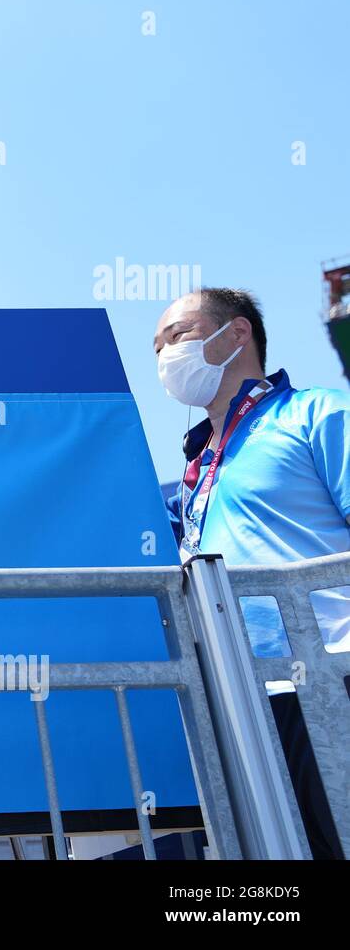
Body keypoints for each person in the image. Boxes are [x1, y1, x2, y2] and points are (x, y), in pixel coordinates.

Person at [153, 287, 347, 858]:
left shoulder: (318, 412)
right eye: (156, 348)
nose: (164, 356)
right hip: (247, 704)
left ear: (237, 333)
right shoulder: (194, 472)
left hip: (331, 680)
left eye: (177, 335)